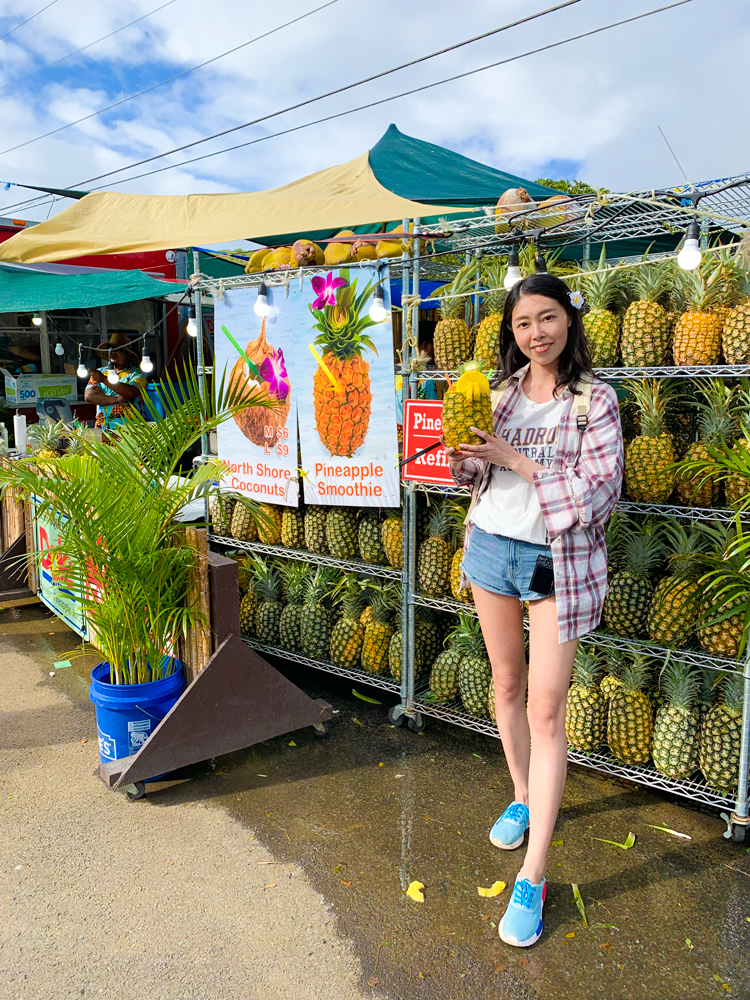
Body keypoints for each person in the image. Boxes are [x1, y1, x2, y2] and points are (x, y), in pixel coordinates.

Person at [442, 273, 623, 948]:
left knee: (547, 709)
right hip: (491, 549)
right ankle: (521, 794)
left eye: (547, 319)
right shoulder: (501, 395)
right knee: (508, 687)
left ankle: (535, 873)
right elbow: (473, 477)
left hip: (556, 563)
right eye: (523, 324)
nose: (536, 333)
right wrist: (461, 456)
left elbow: (600, 495)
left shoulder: (595, 402)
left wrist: (515, 458)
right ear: (511, 333)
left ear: (569, 323)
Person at [84, 333, 148, 433]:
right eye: (110, 349)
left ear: (127, 354)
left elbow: (130, 392)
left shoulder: (137, 374)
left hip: (130, 433)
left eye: (118, 349)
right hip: (103, 430)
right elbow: (89, 396)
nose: (113, 352)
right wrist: (117, 399)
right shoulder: (100, 372)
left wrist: (104, 380)